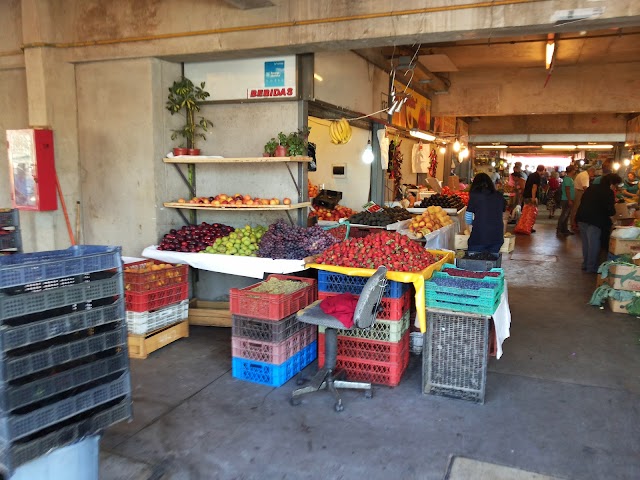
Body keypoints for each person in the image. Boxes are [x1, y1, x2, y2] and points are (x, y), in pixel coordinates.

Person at [575, 173, 622, 273]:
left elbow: (583, 201)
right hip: (595, 220)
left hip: (582, 217)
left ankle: (585, 264)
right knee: (593, 244)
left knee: (586, 244)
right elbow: (610, 210)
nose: (615, 187)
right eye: (615, 185)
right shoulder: (608, 192)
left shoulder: (591, 188)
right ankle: (591, 267)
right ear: (611, 183)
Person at [464, 172, 506, 254]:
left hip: (480, 236)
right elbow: (504, 215)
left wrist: (474, 223)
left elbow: (468, 217)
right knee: (492, 261)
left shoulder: (475, 195)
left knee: (475, 261)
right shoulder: (499, 195)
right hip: (497, 236)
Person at [522, 164, 546, 232]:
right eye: (544, 170)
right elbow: (534, 187)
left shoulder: (531, 175)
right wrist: (533, 197)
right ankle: (528, 227)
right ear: (542, 170)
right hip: (530, 196)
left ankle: (524, 226)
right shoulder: (537, 176)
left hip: (526, 195)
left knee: (526, 212)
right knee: (531, 213)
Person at [571, 166, 596, 231]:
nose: (593, 175)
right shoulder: (585, 176)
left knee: (576, 209)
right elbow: (585, 187)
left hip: (578, 191)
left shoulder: (583, 174)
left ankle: (574, 224)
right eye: (593, 173)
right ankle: (574, 225)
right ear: (591, 171)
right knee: (576, 209)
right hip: (579, 192)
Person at [556, 165, 577, 236]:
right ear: (571, 170)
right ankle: (559, 230)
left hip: (567, 199)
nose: (575, 171)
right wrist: (569, 200)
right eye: (574, 170)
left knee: (566, 215)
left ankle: (564, 229)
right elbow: (567, 190)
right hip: (566, 199)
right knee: (564, 215)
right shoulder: (568, 179)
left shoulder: (568, 178)